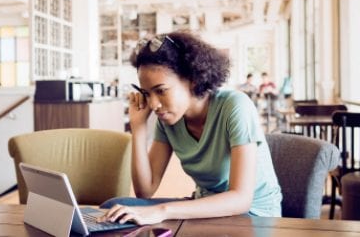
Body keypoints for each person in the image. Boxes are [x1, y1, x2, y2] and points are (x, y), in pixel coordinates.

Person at [99, 31, 282, 225]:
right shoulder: (168, 119)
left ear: (192, 80)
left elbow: (241, 199)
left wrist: (163, 211)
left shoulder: (235, 107)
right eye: (147, 93)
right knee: (115, 208)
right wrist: (139, 127)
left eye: (161, 91)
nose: (153, 104)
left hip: (254, 216)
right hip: (205, 208)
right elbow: (146, 190)